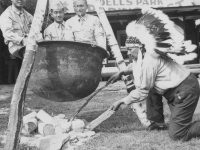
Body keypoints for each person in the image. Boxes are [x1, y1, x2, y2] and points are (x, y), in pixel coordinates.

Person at [107, 7, 200, 141]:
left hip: (185, 90)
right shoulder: (145, 55)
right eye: (126, 49)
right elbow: (138, 66)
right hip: (179, 88)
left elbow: (142, 91)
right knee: (152, 90)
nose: (127, 52)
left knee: (178, 135)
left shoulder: (150, 60)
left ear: (139, 48)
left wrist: (121, 101)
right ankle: (158, 123)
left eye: (130, 49)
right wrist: (122, 71)